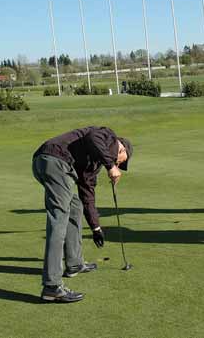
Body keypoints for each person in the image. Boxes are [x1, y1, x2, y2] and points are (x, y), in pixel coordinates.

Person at [32, 126, 132, 302]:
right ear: (121, 147)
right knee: (59, 220)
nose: (118, 166)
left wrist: (96, 227)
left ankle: (74, 263)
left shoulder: (92, 165)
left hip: (52, 164)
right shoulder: (107, 135)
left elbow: (88, 196)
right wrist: (110, 165)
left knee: (76, 205)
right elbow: (93, 137)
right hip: (54, 159)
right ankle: (52, 287)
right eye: (120, 162)